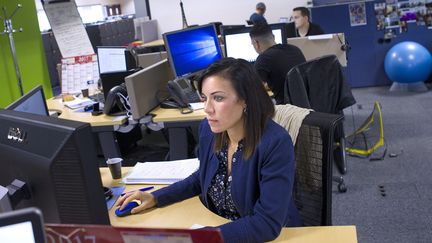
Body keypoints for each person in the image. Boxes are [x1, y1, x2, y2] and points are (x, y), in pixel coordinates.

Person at [116, 58, 302, 243]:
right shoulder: (210, 130)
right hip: (222, 229)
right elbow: (202, 177)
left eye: (218, 98)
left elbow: (266, 224)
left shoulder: (275, 144)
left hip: (268, 236)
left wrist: (205, 236)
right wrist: (156, 197)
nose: (207, 109)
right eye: (204, 98)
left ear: (245, 99)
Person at [250, 23, 306, 104]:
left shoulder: (263, 59)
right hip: (306, 106)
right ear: (273, 37)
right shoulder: (295, 49)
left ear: (256, 43)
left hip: (286, 110)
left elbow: (255, 92)